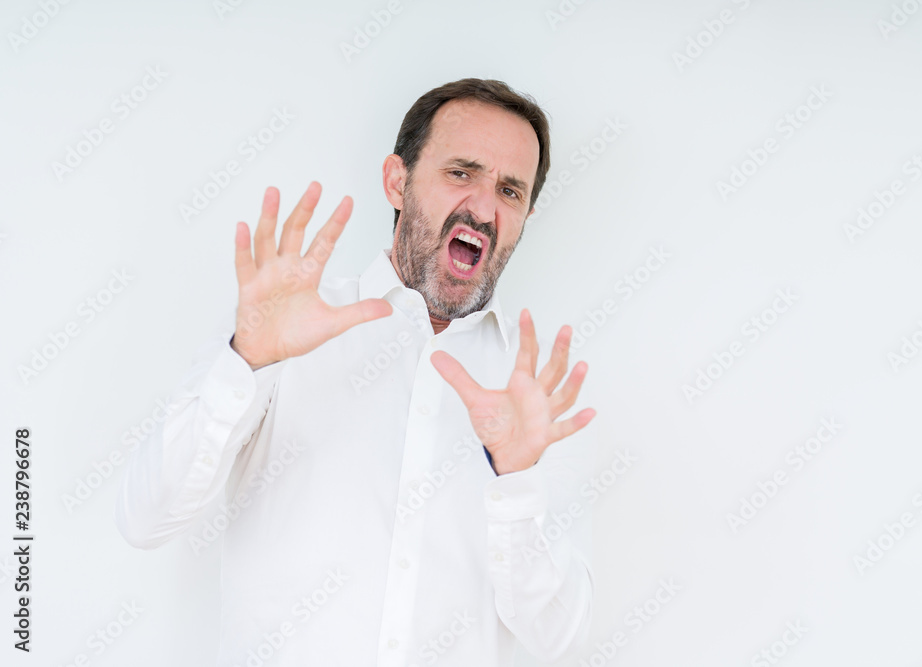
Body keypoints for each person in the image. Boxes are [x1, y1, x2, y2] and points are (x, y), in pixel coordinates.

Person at [115, 77, 597, 666]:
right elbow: (145, 518)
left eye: (510, 190)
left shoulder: (539, 397)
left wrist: (516, 483)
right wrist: (248, 360)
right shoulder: (282, 330)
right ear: (397, 181)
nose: (483, 207)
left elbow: (564, 640)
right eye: (460, 173)